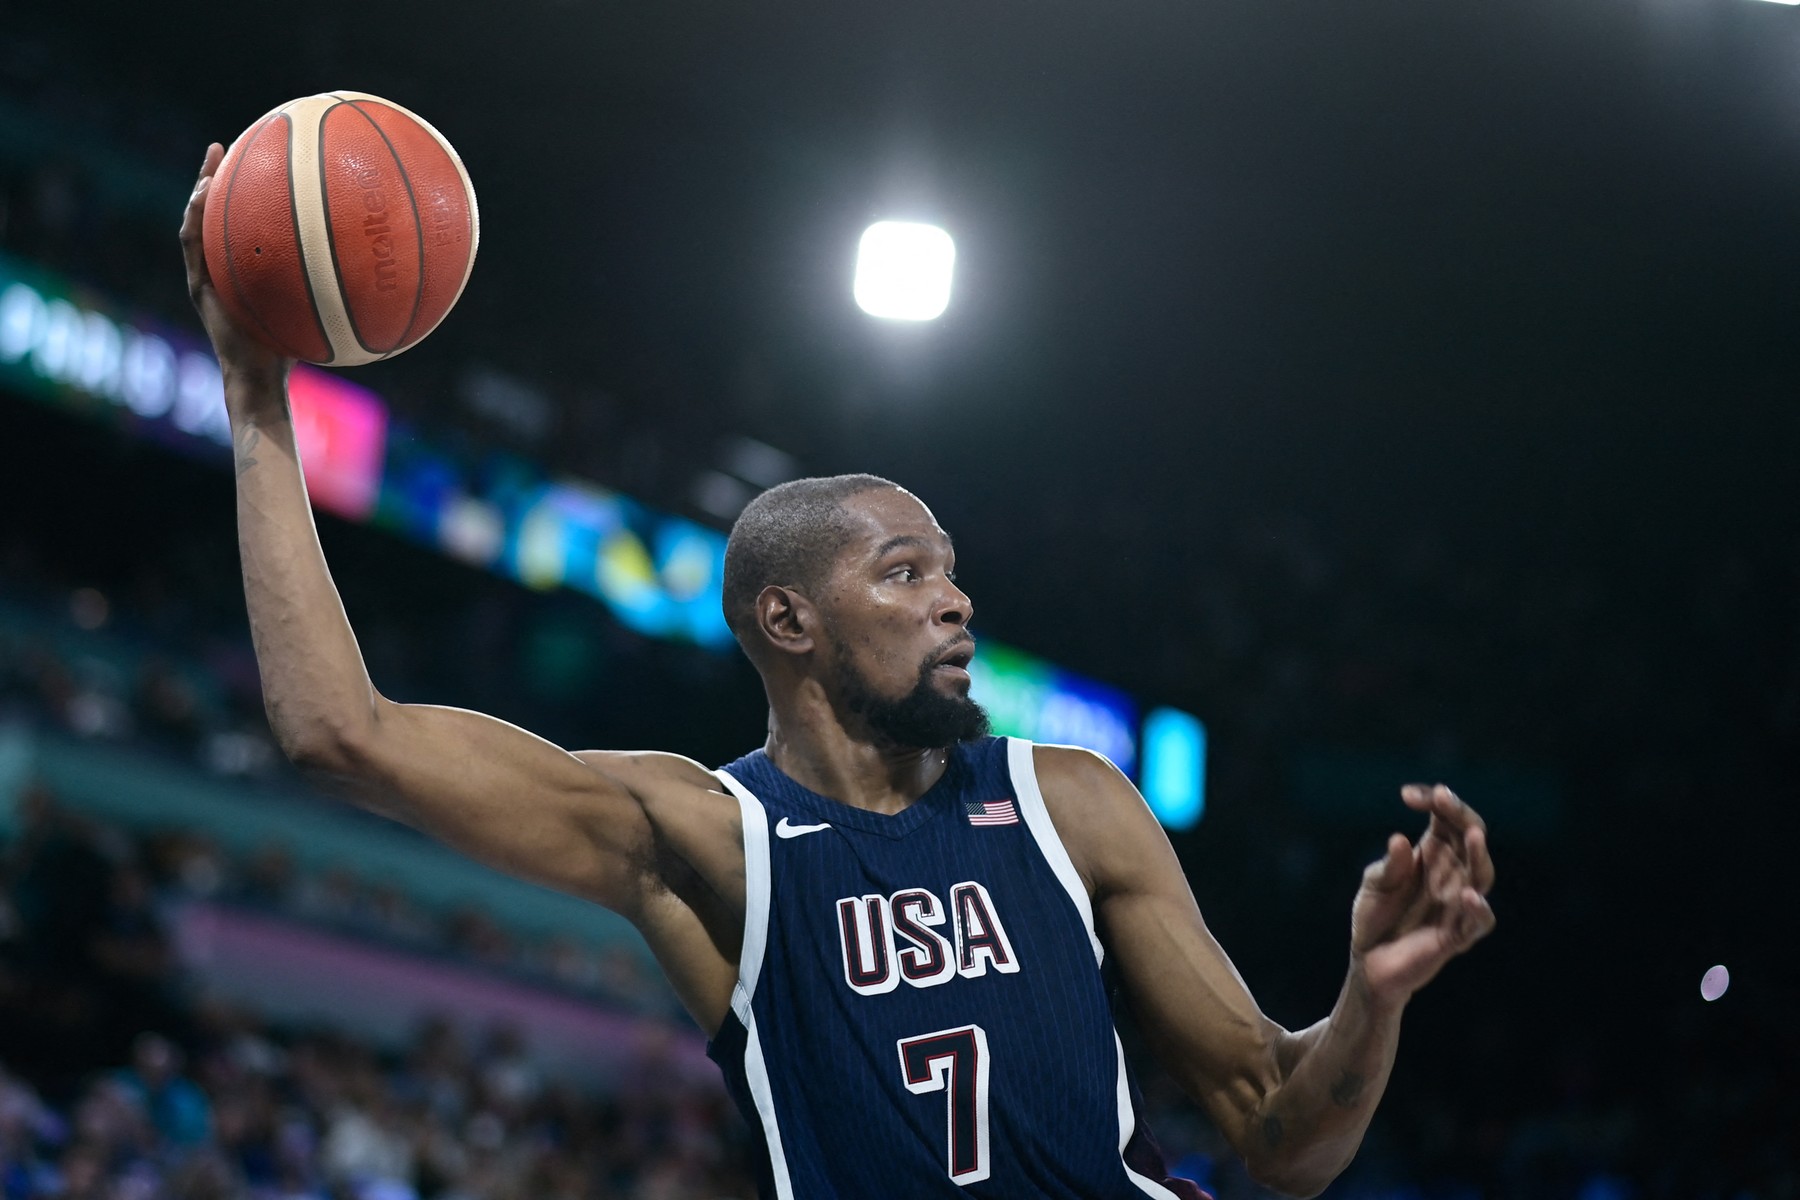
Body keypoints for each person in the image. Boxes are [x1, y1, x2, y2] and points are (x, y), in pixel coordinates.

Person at [178, 143, 1496, 1200]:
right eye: (906, 572)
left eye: (952, 569)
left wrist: (1367, 1006)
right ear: (790, 620)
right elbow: (338, 732)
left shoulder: (1072, 801)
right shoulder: (711, 838)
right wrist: (255, 403)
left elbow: (1283, 1139)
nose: (956, 599)